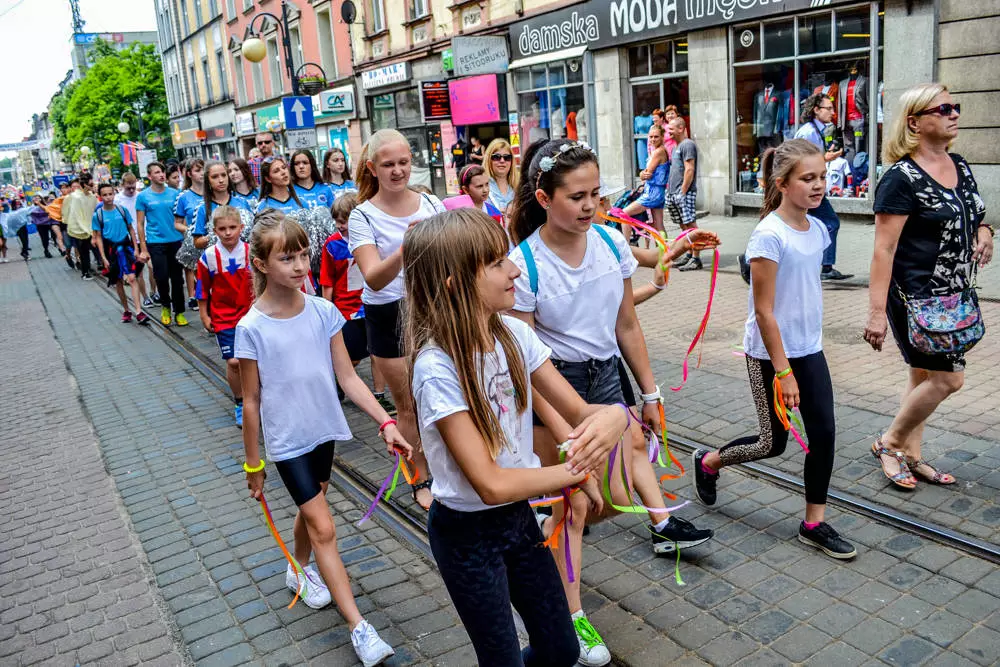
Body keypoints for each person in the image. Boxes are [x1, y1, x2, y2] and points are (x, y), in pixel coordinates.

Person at [405, 207, 630, 667]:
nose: (515, 270)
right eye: (496, 263)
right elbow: (491, 483)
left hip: (517, 523)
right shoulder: (437, 368)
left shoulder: (512, 333)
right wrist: (573, 472)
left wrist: (615, 416)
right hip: (466, 534)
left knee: (562, 647)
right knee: (501, 657)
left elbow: (580, 410)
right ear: (456, 284)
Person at [507, 139, 714, 559]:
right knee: (580, 500)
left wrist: (651, 395)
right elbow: (525, 362)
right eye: (577, 196)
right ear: (545, 199)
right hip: (555, 383)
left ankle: (662, 526)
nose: (590, 205)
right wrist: (557, 423)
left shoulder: (610, 242)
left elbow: (626, 325)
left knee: (631, 452)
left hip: (604, 371)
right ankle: (557, 588)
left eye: (596, 194)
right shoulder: (524, 264)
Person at [236, 213, 406, 667]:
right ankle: (359, 627)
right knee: (325, 527)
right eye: (286, 257)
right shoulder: (250, 327)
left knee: (313, 511)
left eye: (302, 255)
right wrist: (254, 465)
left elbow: (349, 378)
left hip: (322, 431)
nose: (298, 265)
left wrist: (385, 422)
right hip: (287, 441)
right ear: (261, 264)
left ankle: (298, 569)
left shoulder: (324, 312)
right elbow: (251, 401)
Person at [692, 139, 855, 560]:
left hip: (809, 349)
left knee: (825, 434)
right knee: (772, 443)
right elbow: (764, 313)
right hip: (769, 354)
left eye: (821, 177)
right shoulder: (768, 234)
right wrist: (783, 372)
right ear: (783, 183)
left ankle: (813, 523)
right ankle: (710, 462)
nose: (819, 186)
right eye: (808, 179)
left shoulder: (818, 228)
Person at [864, 83, 991, 489]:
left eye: (955, 106)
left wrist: (985, 231)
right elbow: (883, 250)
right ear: (915, 122)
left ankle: (910, 455)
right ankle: (890, 442)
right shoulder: (900, 178)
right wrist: (876, 312)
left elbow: (976, 211)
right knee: (948, 379)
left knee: (922, 376)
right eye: (943, 108)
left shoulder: (961, 165)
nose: (953, 113)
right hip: (916, 299)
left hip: (954, 294)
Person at [348, 128, 446, 511]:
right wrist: (407, 247)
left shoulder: (431, 203)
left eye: (403, 162)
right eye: (388, 165)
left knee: (443, 396)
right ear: (372, 168)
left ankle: (453, 465)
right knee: (408, 406)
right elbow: (372, 276)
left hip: (433, 307)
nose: (397, 171)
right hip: (388, 312)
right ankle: (419, 476)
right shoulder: (362, 215)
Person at [318, 193, 394, 413]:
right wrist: (327, 309)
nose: (340, 226)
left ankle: (379, 395)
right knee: (352, 357)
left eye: (345, 221)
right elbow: (327, 281)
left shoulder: (372, 239)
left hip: (371, 304)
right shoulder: (332, 245)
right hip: (345, 309)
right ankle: (339, 379)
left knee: (377, 353)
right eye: (337, 222)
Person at [197, 206, 253, 426]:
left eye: (232, 227)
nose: (228, 233)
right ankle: (240, 402)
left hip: (250, 314)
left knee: (254, 359)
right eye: (222, 229)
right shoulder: (209, 256)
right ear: (215, 231)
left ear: (241, 227)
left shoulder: (250, 251)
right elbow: (202, 287)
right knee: (234, 361)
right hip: (224, 316)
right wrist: (204, 314)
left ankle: (256, 397)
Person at [795, 92, 852, 281]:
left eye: (832, 108)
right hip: (807, 189)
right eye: (828, 108)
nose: (832, 112)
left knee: (800, 225)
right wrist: (826, 158)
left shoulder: (816, 130)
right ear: (816, 110)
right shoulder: (808, 132)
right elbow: (800, 161)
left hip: (810, 188)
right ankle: (826, 268)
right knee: (830, 222)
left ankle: (820, 265)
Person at [136, 162, 186, 326]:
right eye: (157, 172)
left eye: (162, 171)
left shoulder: (175, 193)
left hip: (175, 240)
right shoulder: (143, 197)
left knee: (177, 279)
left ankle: (179, 311)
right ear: (149, 176)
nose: (161, 175)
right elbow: (140, 223)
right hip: (156, 242)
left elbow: (181, 218)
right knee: (162, 277)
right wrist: (143, 248)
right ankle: (165, 306)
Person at [92, 183, 149, 325]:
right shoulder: (98, 215)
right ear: (100, 197)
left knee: (132, 278)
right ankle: (126, 309)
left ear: (114, 194)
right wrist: (103, 257)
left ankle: (138, 311)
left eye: (110, 194)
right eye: (104, 195)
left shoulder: (122, 210)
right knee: (118, 281)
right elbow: (98, 236)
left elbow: (131, 229)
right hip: (111, 250)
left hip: (125, 247)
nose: (108, 197)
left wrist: (136, 248)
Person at [666, 118, 704, 271]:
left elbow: (689, 169)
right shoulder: (676, 147)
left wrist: (682, 191)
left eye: (671, 129)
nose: (669, 132)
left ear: (681, 128)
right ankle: (689, 254)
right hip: (674, 192)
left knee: (691, 225)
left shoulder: (687, 145)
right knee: (683, 225)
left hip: (684, 193)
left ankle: (696, 258)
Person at [622, 124, 668, 248]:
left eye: (656, 137)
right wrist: (643, 174)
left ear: (662, 137)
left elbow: (646, 173)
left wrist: (642, 174)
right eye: (651, 137)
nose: (653, 139)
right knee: (659, 225)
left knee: (623, 214)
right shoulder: (659, 151)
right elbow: (646, 174)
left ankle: (626, 249)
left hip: (652, 193)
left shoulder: (658, 152)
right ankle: (664, 253)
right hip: (658, 192)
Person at [193, 160, 254, 251]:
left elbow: (254, 231)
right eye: (215, 177)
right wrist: (216, 235)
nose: (221, 180)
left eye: (224, 175)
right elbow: (197, 242)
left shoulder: (243, 202)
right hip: (218, 259)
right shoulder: (202, 208)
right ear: (208, 181)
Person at [115, 172, 154, 307]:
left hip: (146, 235)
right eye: (128, 188)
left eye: (133, 187)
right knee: (139, 271)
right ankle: (145, 296)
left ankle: (154, 292)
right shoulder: (117, 199)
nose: (131, 190)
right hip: (130, 239)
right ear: (122, 185)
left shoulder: (141, 196)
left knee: (152, 267)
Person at [174, 159, 206, 312]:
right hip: (196, 241)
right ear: (189, 174)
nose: (202, 173)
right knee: (200, 275)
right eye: (198, 170)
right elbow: (177, 223)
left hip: (215, 240)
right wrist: (189, 231)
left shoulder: (213, 191)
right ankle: (200, 303)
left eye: (203, 169)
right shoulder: (184, 196)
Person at [63, 176, 100, 280]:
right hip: (78, 229)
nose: (93, 187)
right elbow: (74, 214)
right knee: (84, 251)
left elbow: (97, 210)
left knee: (95, 248)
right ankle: (85, 272)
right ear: (84, 184)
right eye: (91, 185)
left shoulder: (92, 197)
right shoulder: (74, 197)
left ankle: (98, 265)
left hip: (90, 228)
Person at [482, 139, 519, 214]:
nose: (502, 161)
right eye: (496, 157)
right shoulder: (481, 186)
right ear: (489, 160)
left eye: (507, 157)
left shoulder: (519, 186)